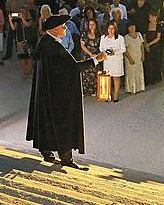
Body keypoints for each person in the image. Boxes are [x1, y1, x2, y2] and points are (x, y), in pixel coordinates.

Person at [26, 14, 106, 170]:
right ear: (55, 29)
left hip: (47, 93)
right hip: (59, 96)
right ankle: (66, 159)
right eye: (63, 26)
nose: (65, 28)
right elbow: (75, 67)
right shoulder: (54, 47)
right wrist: (97, 59)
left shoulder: (44, 43)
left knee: (47, 122)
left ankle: (47, 151)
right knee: (64, 123)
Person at [99, 21, 126, 102]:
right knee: (108, 77)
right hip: (107, 60)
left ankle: (116, 95)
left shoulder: (120, 38)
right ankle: (107, 94)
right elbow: (101, 48)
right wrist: (104, 53)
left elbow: (123, 49)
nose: (110, 30)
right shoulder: (103, 37)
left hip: (117, 60)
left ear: (115, 29)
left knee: (116, 77)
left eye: (112, 29)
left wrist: (114, 52)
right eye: (109, 29)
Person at [79, 18, 101, 98]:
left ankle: (93, 90)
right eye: (90, 24)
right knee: (85, 73)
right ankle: (84, 91)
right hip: (86, 55)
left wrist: (96, 54)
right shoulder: (84, 33)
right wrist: (90, 53)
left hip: (95, 55)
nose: (91, 26)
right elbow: (82, 45)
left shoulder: (98, 34)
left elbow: (100, 46)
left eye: (93, 24)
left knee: (94, 73)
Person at [123, 22, 145, 95]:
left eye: (133, 26)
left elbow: (142, 45)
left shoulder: (139, 34)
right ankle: (132, 89)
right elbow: (125, 50)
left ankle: (140, 87)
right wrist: (130, 59)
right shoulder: (126, 37)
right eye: (130, 27)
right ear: (128, 28)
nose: (132, 28)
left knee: (139, 72)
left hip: (138, 56)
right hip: (130, 57)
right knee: (131, 73)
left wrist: (143, 55)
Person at [143, 10, 163, 85]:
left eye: (153, 17)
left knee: (155, 62)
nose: (151, 18)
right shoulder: (146, 25)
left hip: (155, 46)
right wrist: (145, 44)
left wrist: (149, 44)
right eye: (150, 17)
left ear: (156, 17)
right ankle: (148, 79)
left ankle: (155, 78)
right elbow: (144, 36)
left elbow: (158, 38)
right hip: (147, 46)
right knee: (148, 63)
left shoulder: (158, 26)